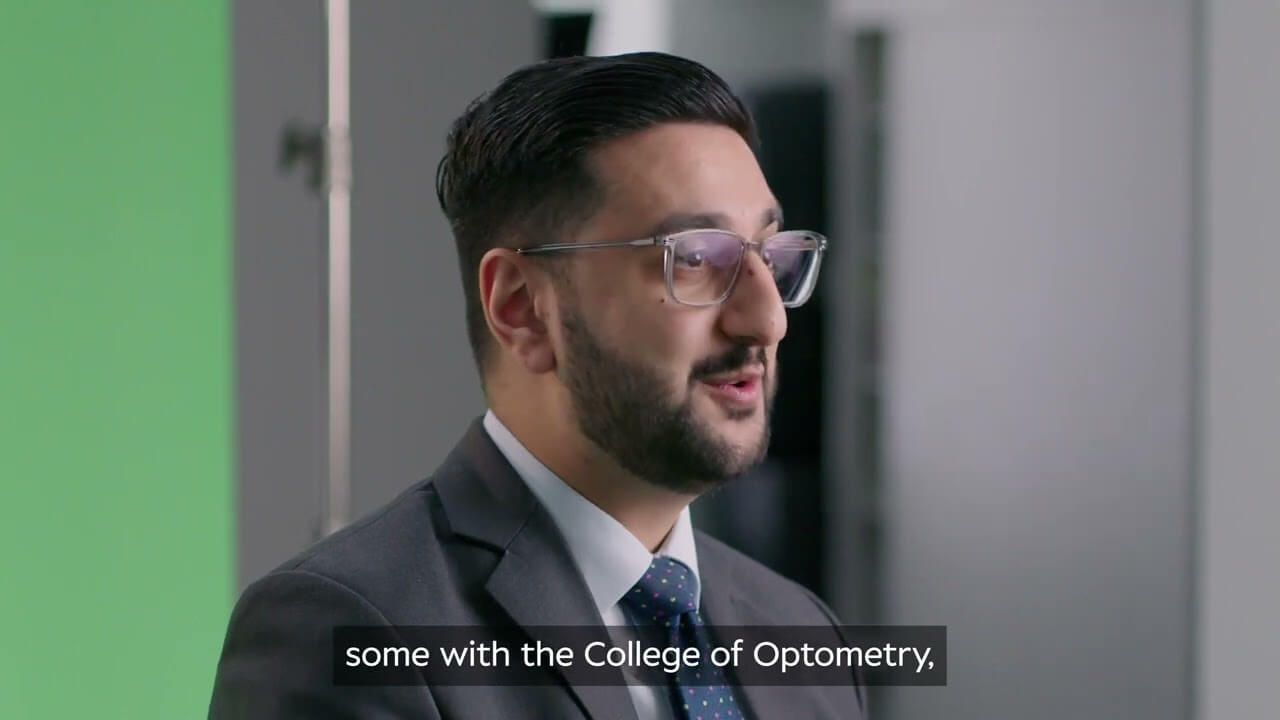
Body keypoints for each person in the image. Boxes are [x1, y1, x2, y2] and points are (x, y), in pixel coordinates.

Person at [209, 51, 863, 719]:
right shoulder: (346, 630)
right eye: (695, 258)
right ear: (522, 307)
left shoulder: (802, 631)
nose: (769, 320)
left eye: (770, 256)